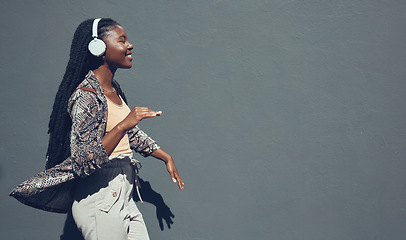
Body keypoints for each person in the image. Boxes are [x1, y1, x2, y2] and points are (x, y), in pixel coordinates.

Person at [10, 18, 184, 240]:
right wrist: (124, 124)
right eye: (122, 40)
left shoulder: (113, 90)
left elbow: (129, 134)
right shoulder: (85, 96)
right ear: (98, 48)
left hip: (124, 196)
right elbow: (83, 159)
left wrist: (165, 156)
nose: (130, 46)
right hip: (100, 199)